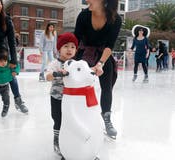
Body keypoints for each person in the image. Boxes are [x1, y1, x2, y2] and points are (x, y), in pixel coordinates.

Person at [74, 0, 121, 139]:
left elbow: (110, 45)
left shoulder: (115, 19)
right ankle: (78, 116)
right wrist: (68, 59)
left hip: (103, 55)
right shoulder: (83, 16)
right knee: (78, 85)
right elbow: (75, 39)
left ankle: (106, 118)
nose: (87, 0)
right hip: (84, 53)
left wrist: (100, 63)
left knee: (107, 87)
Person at [45, 32, 78, 155]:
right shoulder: (54, 63)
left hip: (71, 99)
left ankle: (70, 138)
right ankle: (57, 140)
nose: (69, 49)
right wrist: (56, 74)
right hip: (57, 97)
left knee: (70, 120)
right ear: (59, 49)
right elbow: (47, 76)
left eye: (73, 47)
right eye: (66, 46)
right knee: (58, 119)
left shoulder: (76, 64)